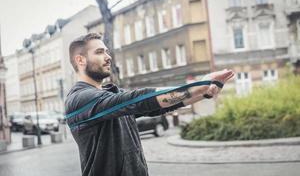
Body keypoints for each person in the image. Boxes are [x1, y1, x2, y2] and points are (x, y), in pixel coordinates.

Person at [65, 33, 234, 176]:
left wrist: (203, 92)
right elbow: (138, 99)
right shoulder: (79, 99)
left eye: (107, 52)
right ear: (80, 60)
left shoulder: (112, 95)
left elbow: (155, 105)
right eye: (100, 52)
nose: (108, 57)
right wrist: (197, 85)